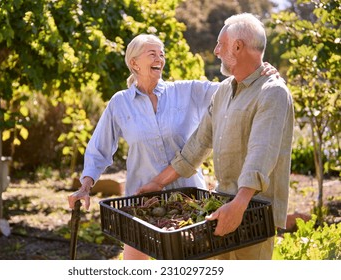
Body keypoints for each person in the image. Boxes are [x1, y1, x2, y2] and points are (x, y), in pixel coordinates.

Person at [67, 33, 279, 260]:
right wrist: (86, 185)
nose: (160, 58)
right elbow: (99, 148)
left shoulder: (186, 91)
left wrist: (258, 73)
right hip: (143, 201)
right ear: (134, 63)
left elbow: (232, 88)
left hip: (188, 201)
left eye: (162, 54)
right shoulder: (120, 103)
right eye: (152, 54)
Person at [137, 13, 294, 260]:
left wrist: (239, 204)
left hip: (254, 213)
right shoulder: (223, 91)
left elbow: (261, 153)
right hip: (222, 207)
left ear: (238, 46)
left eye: (221, 44)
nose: (216, 50)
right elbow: (199, 143)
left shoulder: (272, 92)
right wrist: (159, 182)